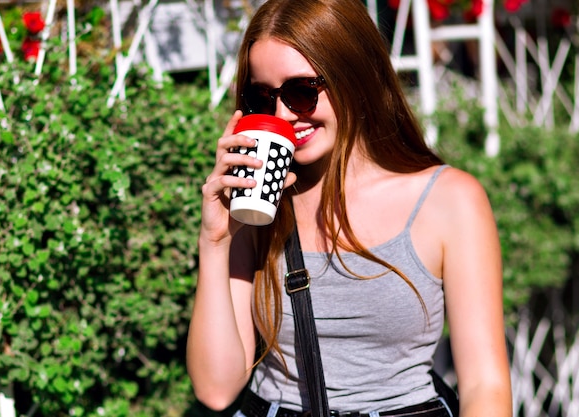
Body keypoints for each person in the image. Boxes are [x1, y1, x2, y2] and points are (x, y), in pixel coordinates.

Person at [187, 0, 512, 416]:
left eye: (302, 92)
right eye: (263, 97)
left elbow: (486, 385)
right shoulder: (259, 201)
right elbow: (216, 388)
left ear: (354, 76)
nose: (284, 115)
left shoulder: (448, 199)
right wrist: (215, 240)